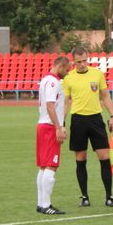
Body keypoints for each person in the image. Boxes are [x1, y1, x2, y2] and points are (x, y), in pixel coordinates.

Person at [63, 46, 113, 208]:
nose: (82, 64)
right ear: (73, 61)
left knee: (104, 157)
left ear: (88, 58)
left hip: (96, 119)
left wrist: (112, 115)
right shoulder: (69, 78)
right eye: (79, 61)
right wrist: (62, 123)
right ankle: (84, 196)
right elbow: (66, 102)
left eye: (85, 60)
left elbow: (105, 95)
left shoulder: (97, 74)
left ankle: (109, 196)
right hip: (78, 120)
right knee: (80, 159)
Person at [35, 56, 72, 214]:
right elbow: (50, 105)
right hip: (49, 126)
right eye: (67, 69)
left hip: (43, 125)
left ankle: (41, 203)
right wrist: (59, 127)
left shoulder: (45, 80)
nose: (67, 72)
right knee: (51, 165)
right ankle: (46, 205)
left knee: (44, 165)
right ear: (60, 66)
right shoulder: (53, 82)